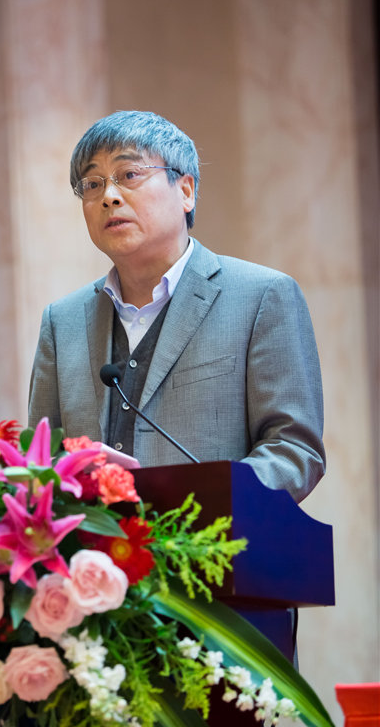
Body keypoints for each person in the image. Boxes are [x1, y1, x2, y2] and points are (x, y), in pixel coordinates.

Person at [28, 109, 325, 503]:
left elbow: (294, 451)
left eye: (129, 175)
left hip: (215, 538)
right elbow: (42, 460)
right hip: (96, 543)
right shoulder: (61, 321)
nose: (109, 196)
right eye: (93, 184)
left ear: (185, 191)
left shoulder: (261, 296)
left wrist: (200, 504)